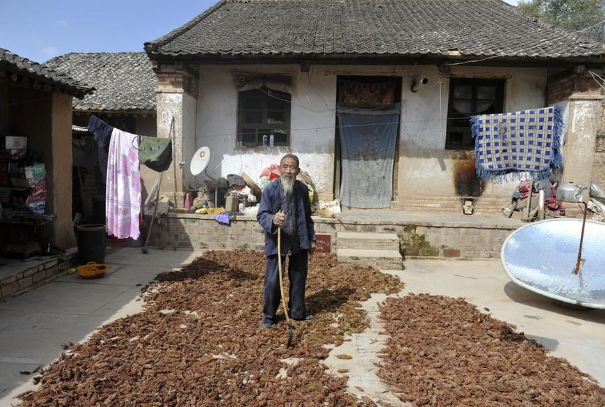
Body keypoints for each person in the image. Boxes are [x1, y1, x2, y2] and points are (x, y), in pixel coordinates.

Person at [257, 154, 316, 329]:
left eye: (292, 167)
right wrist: (273, 219)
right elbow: (261, 215)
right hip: (278, 242)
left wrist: (311, 239)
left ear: (297, 171)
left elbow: (307, 217)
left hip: (299, 241)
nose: (288, 170)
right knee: (273, 281)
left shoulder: (303, 190)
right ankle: (268, 317)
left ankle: (297, 313)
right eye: (285, 167)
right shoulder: (271, 190)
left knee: (298, 279)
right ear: (279, 168)